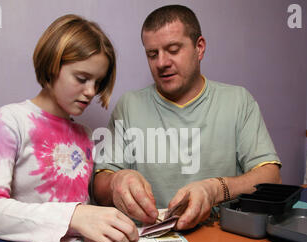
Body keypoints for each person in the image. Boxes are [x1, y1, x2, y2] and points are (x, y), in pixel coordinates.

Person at [92, 5, 282, 230]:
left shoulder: (238, 101)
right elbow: (99, 187)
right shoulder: (129, 106)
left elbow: (271, 177)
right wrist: (116, 182)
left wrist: (214, 190)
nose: (161, 62)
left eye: (173, 50)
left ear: (199, 48)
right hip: (149, 240)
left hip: (220, 237)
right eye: (152, 54)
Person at [0, 14, 138, 242]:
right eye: (82, 78)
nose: (91, 92)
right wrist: (73, 217)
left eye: (98, 83)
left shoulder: (86, 134)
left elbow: (87, 210)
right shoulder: (11, 120)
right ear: (52, 66)